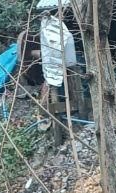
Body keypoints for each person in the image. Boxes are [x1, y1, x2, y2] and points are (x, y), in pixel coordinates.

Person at [37, 0, 80, 139]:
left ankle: (73, 114)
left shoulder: (57, 29)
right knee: (56, 87)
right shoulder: (49, 28)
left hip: (66, 64)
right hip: (55, 66)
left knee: (72, 84)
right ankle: (58, 117)